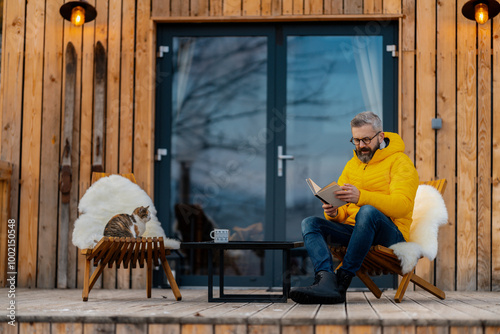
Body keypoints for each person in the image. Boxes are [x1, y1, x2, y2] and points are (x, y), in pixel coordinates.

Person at [290, 111, 419, 304]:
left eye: (366, 139)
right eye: (356, 140)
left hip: (392, 235)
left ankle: (341, 281)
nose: (361, 146)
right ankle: (325, 279)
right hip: (358, 232)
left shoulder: (400, 162)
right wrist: (333, 212)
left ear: (381, 137)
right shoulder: (352, 166)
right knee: (310, 223)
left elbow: (402, 206)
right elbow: (343, 210)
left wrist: (362, 196)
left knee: (367, 211)